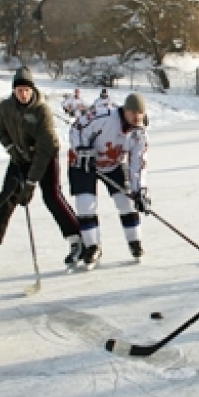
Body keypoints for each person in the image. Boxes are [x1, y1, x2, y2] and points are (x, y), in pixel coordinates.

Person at [0, 67, 82, 271]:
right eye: (19, 90)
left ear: (32, 90)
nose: (23, 94)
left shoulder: (42, 110)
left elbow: (44, 151)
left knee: (52, 196)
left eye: (26, 90)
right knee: (6, 198)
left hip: (45, 156)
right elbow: (1, 130)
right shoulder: (6, 108)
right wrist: (11, 149)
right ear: (14, 91)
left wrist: (31, 184)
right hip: (21, 157)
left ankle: (77, 239)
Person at [67, 93, 150, 269]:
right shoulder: (104, 116)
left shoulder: (140, 133)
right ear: (124, 110)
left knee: (127, 202)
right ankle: (92, 247)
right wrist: (82, 150)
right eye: (132, 112)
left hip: (114, 164)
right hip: (84, 163)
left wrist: (140, 190)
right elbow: (77, 129)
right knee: (86, 204)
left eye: (140, 113)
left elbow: (137, 163)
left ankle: (135, 242)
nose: (136, 116)